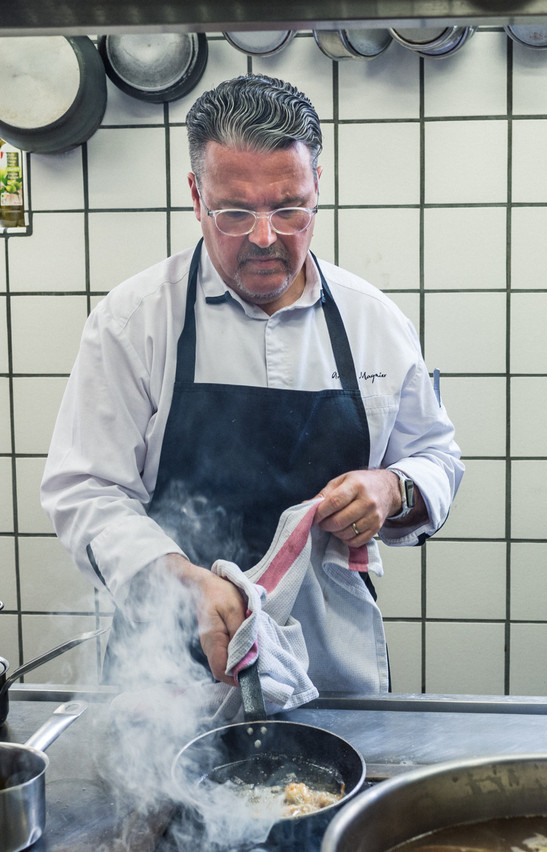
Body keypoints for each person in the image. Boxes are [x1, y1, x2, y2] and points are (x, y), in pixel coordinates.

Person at [41, 73, 462, 697]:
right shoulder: (136, 321)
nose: (264, 237)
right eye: (235, 212)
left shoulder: (373, 320)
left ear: (318, 186)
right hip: (172, 662)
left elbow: (437, 457)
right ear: (195, 194)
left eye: (288, 208)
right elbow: (85, 491)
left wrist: (394, 487)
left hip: (328, 666)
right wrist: (183, 581)